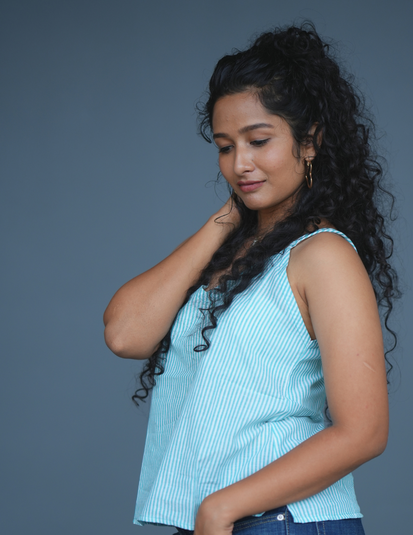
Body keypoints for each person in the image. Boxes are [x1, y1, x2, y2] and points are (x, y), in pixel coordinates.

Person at [103, 22, 398, 535]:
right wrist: (227, 219)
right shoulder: (236, 254)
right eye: (224, 146)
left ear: (309, 143)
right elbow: (125, 334)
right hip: (222, 520)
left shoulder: (322, 255)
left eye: (259, 141)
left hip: (280, 521)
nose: (240, 164)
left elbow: (365, 431)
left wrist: (222, 508)